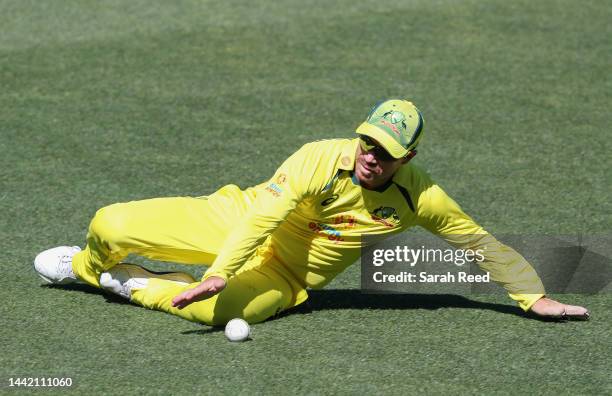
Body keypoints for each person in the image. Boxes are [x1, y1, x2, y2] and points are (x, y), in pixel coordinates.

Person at [34, 99, 589, 325]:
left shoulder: (422, 198)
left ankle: (128, 283)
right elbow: (261, 222)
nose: (372, 158)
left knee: (224, 315)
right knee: (112, 222)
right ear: (361, 136)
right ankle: (85, 267)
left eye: (387, 153)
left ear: (409, 157)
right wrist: (224, 267)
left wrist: (531, 294)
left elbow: (479, 244)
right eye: (369, 144)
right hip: (235, 219)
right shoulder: (318, 159)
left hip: (288, 273)